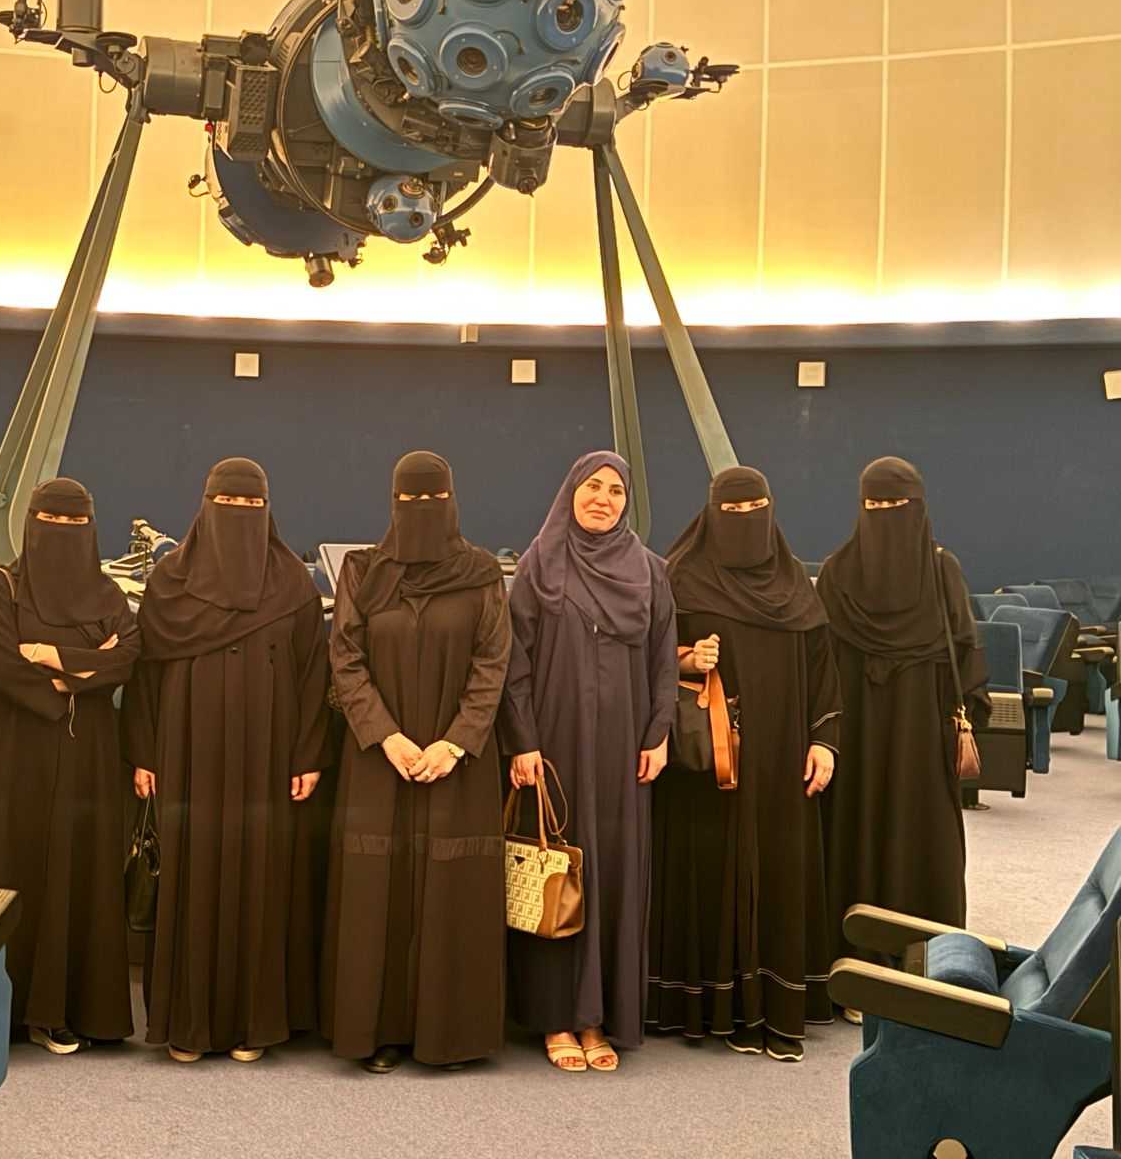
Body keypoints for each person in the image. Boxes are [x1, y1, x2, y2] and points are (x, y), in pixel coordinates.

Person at [123, 458, 329, 1063]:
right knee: (190, 874)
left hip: (269, 753)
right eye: (227, 504)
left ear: (267, 511)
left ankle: (251, 1024)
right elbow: (144, 676)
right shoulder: (169, 584)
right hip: (185, 750)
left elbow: (313, 676)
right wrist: (143, 752)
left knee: (259, 876)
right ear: (205, 507)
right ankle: (187, 1024)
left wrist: (308, 755)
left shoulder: (293, 585)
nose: (238, 515)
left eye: (251, 505)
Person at [322, 451, 511, 1074]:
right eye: (410, 499)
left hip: (458, 762)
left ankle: (449, 1034)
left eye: (433, 499)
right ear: (393, 502)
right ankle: (377, 1031)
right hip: (380, 760)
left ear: (452, 501)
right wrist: (386, 736)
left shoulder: (481, 573)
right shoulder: (363, 572)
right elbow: (345, 658)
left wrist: (454, 743)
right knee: (379, 892)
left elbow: (493, 663)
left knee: (450, 892)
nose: (422, 510)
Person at [646, 466, 840, 1062]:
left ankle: (774, 1009)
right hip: (709, 765)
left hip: (783, 758)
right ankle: (703, 1008)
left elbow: (823, 672)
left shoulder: (795, 583)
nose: (743, 520)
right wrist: (686, 658)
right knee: (707, 870)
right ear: (711, 514)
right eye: (730, 511)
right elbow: (646, 657)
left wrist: (824, 741)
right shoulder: (681, 576)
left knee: (777, 869)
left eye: (754, 508)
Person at [0, 478, 139, 1054]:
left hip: (87, 754)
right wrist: (78, 675)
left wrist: (51, 658)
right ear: (31, 523)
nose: (62, 533)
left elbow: (128, 657)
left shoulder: (108, 593)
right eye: (51, 521)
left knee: (80, 866)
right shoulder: (2, 585)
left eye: (75, 523)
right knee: (13, 863)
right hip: (16, 750)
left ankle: (66, 1009)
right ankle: (4, 1008)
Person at [499, 451, 676, 1073]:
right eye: (592, 487)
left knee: (614, 873)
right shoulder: (538, 564)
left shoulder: (650, 571)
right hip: (557, 745)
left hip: (625, 751)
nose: (603, 498)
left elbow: (664, 660)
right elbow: (513, 663)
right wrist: (522, 741)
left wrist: (659, 734)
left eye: (616, 491)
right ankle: (558, 1018)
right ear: (570, 492)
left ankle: (600, 1018)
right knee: (561, 875)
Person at [817, 459, 988, 1008]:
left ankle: (925, 973)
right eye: (874, 505)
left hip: (922, 736)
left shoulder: (941, 571)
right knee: (856, 835)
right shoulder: (839, 573)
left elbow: (967, 654)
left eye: (897, 505)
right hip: (857, 737)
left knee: (919, 840)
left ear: (919, 507)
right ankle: (852, 969)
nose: (885, 515)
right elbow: (819, 663)